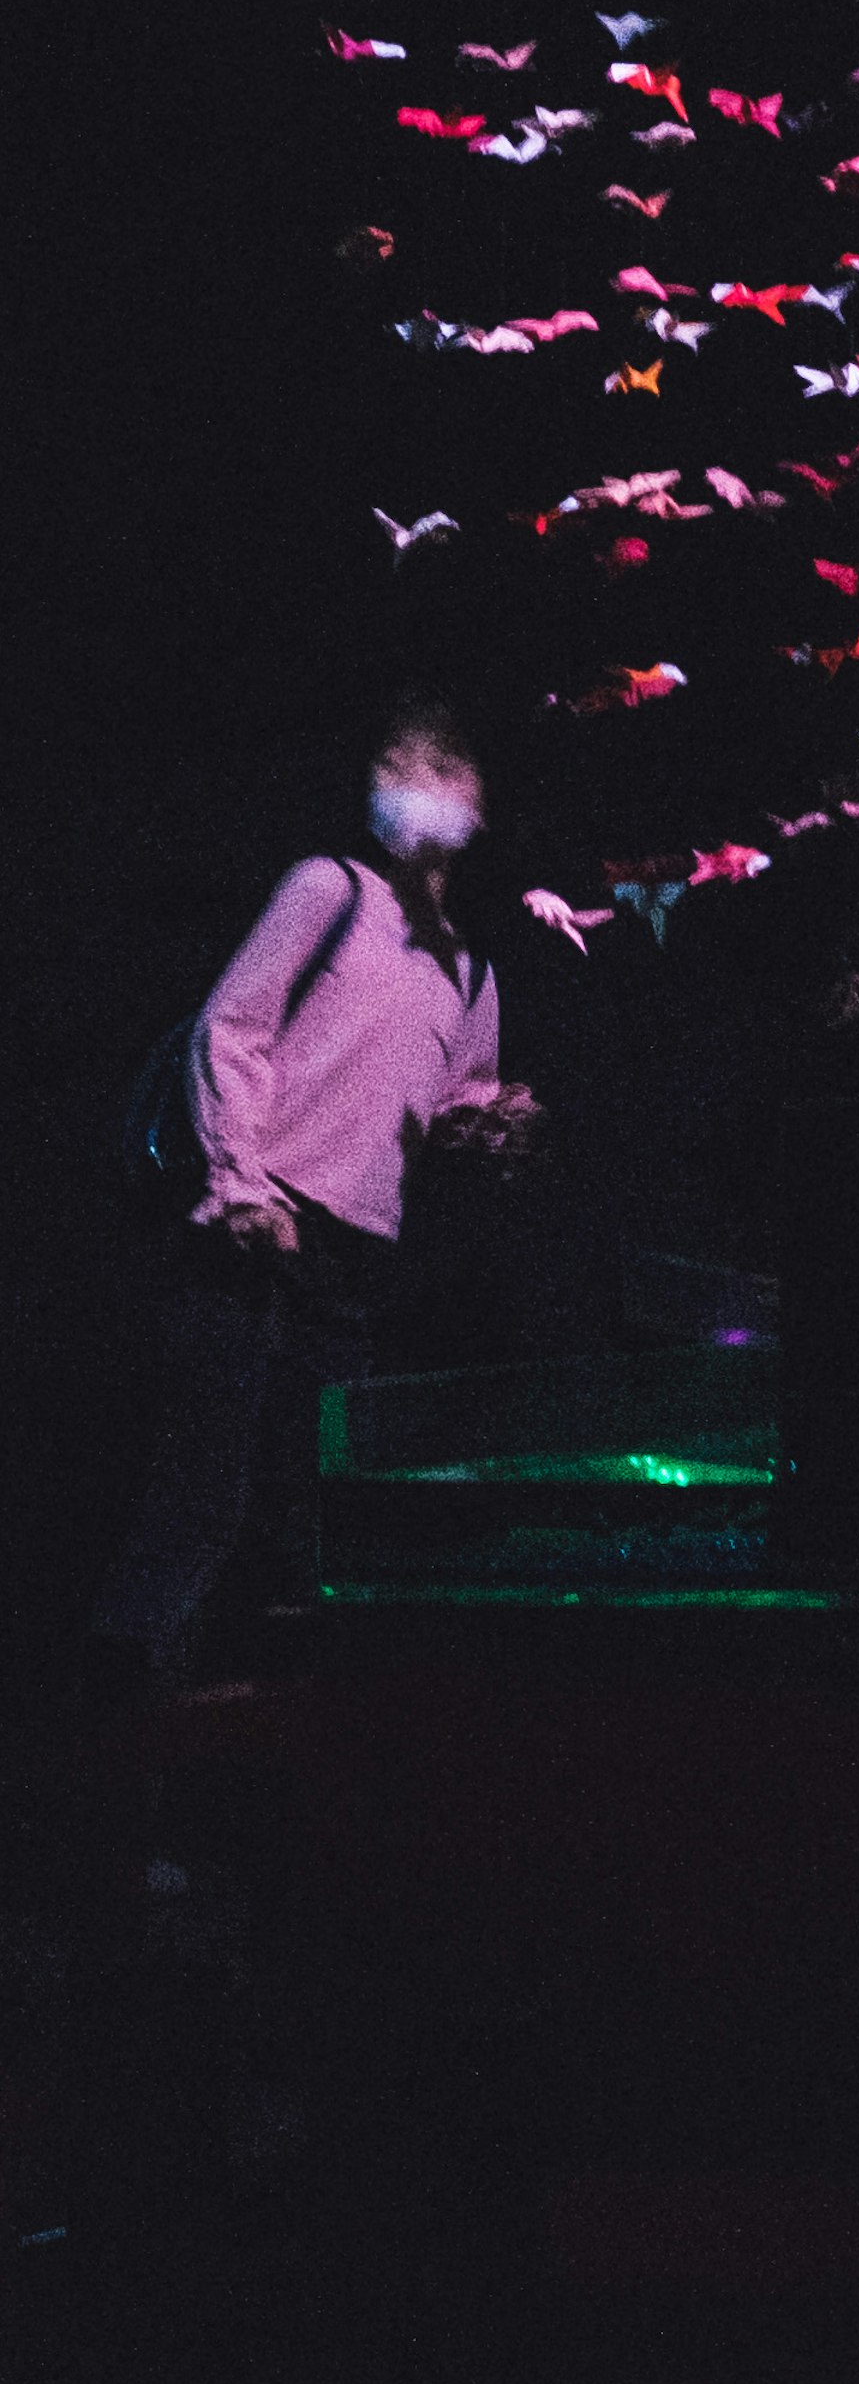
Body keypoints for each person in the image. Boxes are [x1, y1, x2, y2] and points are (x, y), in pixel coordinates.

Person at [87, 704, 536, 1694]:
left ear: (479, 804)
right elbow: (229, 1029)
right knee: (200, 1486)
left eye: (438, 763)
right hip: (251, 1224)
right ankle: (115, 1717)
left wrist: (491, 1119)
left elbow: (455, 1095)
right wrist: (238, 1183)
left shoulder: (471, 969)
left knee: (305, 1498)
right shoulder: (328, 889)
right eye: (398, 760)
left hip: (352, 1254)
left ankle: (254, 1713)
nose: (412, 776)